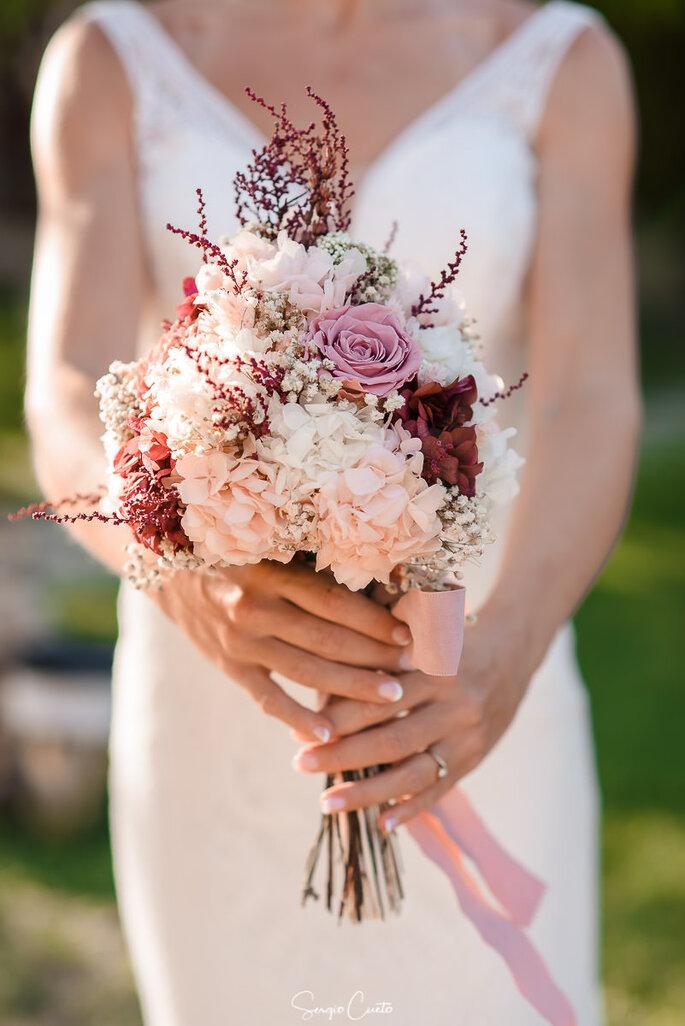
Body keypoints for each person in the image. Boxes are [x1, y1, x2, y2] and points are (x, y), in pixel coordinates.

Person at [25, 0, 641, 1023]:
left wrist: (506, 652)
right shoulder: (115, 58)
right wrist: (184, 580)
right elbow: (63, 386)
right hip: (211, 698)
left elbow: (591, 395)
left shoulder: (553, 58)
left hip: (473, 681)